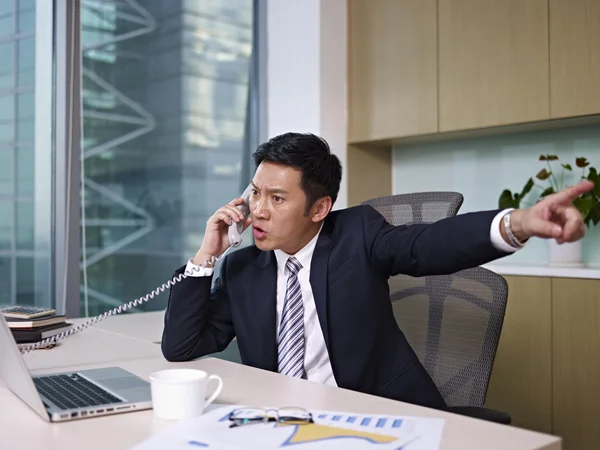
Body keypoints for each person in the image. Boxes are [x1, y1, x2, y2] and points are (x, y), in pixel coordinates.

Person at [161, 132, 593, 410]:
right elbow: (182, 346)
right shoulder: (242, 268)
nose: (257, 209)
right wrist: (205, 256)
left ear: (319, 208)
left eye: (276, 198)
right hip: (287, 424)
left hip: (379, 419)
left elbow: (426, 245)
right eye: (254, 192)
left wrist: (516, 223)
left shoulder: (358, 235)